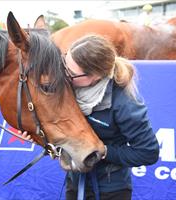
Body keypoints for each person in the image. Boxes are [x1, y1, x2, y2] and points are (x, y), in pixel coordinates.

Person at [22, 35, 159, 200]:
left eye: (71, 73)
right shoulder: (68, 88)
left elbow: (148, 152)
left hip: (110, 190)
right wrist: (38, 137)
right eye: (64, 64)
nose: (64, 75)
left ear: (95, 76)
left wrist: (103, 152)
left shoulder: (124, 104)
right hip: (75, 181)